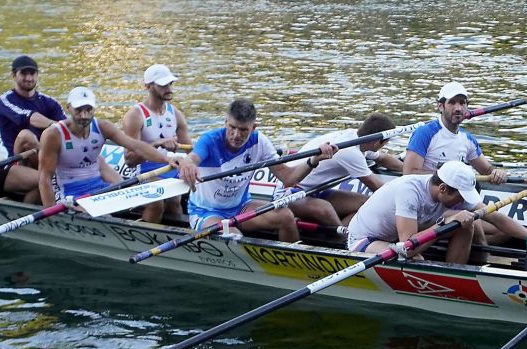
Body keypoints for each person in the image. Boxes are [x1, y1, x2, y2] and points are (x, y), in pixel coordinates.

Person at [177, 98, 333, 242]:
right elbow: (192, 159)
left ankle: (295, 264)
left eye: (243, 130)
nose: (236, 135)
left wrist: (313, 161)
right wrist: (188, 164)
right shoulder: (210, 140)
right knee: (234, 237)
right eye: (232, 127)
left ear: (253, 127)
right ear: (225, 122)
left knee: (286, 217)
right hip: (206, 212)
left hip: (240, 207)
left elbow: (288, 178)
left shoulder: (259, 142)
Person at [402, 81, 527, 249]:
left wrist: (497, 173)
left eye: (462, 103)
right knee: (478, 233)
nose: (458, 108)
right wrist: (448, 178)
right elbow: (408, 173)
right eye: (452, 103)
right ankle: (478, 252)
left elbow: (487, 170)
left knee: (501, 227)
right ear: (441, 106)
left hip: (456, 198)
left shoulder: (467, 139)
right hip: (429, 203)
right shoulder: (425, 133)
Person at [36, 86, 175, 206]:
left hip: (99, 188)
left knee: (153, 203)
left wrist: (167, 160)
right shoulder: (53, 134)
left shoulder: (103, 126)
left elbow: (136, 146)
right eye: (78, 110)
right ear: (68, 108)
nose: (84, 115)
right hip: (69, 191)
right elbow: (45, 178)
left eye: (88, 109)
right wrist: (50, 212)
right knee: (96, 212)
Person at [346, 161, 484, 264]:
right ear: (443, 188)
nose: (462, 202)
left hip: (395, 236)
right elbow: (407, 249)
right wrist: (443, 224)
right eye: (460, 198)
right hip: (365, 239)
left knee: (465, 226)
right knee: (413, 258)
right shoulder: (410, 191)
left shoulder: (448, 187)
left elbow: (495, 218)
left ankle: (456, 275)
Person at [287, 112, 397, 231]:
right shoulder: (351, 152)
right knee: (325, 209)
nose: (386, 144)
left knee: (366, 204)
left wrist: (414, 172)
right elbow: (378, 187)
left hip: (317, 190)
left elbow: (383, 158)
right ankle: (342, 240)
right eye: (386, 142)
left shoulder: (360, 138)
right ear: (377, 142)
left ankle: (344, 235)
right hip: (291, 191)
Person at [119, 63, 190, 224]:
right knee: (158, 201)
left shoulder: (175, 114)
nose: (169, 89)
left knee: (174, 203)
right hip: (143, 171)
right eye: (163, 85)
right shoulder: (135, 116)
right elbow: (129, 160)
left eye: (170, 84)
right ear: (148, 86)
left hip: (169, 168)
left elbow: (190, 151)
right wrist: (156, 144)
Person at [0, 55, 65, 203]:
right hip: (17, 163)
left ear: (37, 76)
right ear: (14, 75)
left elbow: (69, 129)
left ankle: (29, 212)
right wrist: (56, 126)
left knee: (40, 187)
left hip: (42, 163)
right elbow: (32, 118)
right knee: (27, 136)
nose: (28, 78)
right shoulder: (5, 99)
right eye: (24, 74)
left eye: (32, 74)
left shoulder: (49, 102)